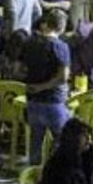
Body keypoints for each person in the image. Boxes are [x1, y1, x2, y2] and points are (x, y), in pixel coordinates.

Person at [21, 10, 71, 165]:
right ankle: (54, 175)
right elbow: (63, 77)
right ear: (62, 28)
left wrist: (33, 86)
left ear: (46, 23)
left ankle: (32, 178)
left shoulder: (30, 43)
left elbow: (21, 69)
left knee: (35, 142)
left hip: (32, 101)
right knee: (63, 141)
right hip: (53, 101)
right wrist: (43, 86)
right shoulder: (60, 47)